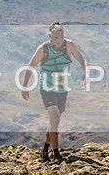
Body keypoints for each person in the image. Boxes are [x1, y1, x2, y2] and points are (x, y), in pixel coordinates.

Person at [21, 22, 88, 162]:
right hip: (46, 87)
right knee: (55, 118)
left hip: (62, 89)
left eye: (61, 37)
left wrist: (86, 72)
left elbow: (82, 60)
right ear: (50, 36)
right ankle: (56, 153)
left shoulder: (69, 45)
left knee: (54, 121)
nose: (59, 40)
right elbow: (30, 66)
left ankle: (45, 150)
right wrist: (24, 86)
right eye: (56, 37)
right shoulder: (43, 49)